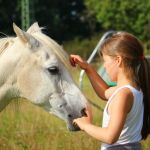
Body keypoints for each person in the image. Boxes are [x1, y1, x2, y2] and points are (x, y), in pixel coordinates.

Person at [69, 32, 150, 150]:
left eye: (105, 61)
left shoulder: (123, 95)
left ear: (118, 60)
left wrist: (85, 125)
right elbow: (105, 92)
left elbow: (110, 137)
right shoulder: (134, 89)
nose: (104, 66)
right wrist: (87, 68)